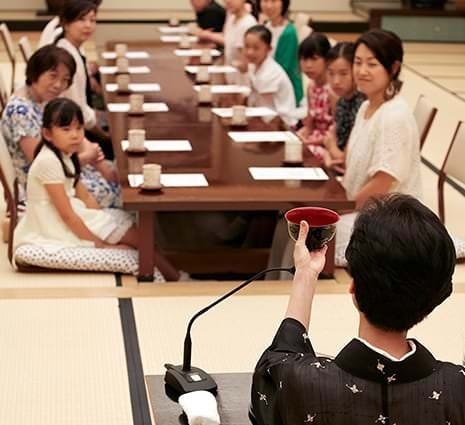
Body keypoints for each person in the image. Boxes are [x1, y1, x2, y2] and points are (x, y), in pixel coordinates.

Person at [251, 193, 464, 424]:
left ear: (353, 287)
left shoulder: (299, 383)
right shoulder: (457, 389)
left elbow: (277, 363)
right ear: (434, 299)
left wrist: (306, 274)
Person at [13, 98, 179, 281]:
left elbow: (83, 194)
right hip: (53, 226)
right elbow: (66, 215)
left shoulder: (64, 154)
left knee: (139, 236)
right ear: (47, 133)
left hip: (72, 214)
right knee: (141, 241)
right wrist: (100, 244)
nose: (75, 135)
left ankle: (173, 277)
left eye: (79, 128)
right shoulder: (48, 161)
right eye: (66, 129)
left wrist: (104, 218)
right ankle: (175, 279)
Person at [1, 45, 121, 208]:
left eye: (65, 80)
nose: (58, 85)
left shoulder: (41, 97)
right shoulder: (21, 111)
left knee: (119, 178)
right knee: (121, 193)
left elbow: (76, 131)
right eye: (53, 76)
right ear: (35, 73)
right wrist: (87, 157)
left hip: (66, 169)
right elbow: (41, 165)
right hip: (45, 186)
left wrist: (99, 163)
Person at [55, 0, 113, 159]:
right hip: (73, 133)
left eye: (92, 20)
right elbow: (77, 109)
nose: (88, 25)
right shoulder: (67, 57)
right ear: (66, 24)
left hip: (79, 122)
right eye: (81, 20)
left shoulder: (72, 47)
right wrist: (105, 135)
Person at [322, 42, 364, 173]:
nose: (336, 81)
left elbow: (347, 160)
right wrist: (329, 153)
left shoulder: (361, 105)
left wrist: (331, 147)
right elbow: (333, 136)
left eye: (343, 74)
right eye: (331, 73)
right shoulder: (341, 100)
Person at [244, 25, 297, 126]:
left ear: (269, 49)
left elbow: (266, 109)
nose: (250, 52)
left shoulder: (271, 72)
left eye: (256, 48)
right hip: (264, 119)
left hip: (282, 124)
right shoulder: (253, 66)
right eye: (247, 46)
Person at [198, 0, 257, 84]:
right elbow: (227, 39)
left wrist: (221, 68)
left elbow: (244, 66)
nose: (228, 1)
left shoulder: (248, 24)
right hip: (230, 79)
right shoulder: (232, 18)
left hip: (241, 84)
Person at [297, 33, 336, 159]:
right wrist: (302, 134)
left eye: (314, 59)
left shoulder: (334, 90)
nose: (308, 65)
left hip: (328, 146)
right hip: (314, 140)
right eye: (304, 59)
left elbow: (338, 133)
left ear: (327, 60)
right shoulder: (311, 87)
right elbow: (310, 124)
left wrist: (309, 142)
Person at [259, 0, 303, 105]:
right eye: (265, 1)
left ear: (284, 3)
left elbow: (282, 68)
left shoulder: (288, 32)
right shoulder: (267, 26)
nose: (269, 6)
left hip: (286, 95)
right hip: (270, 87)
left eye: (274, 1)